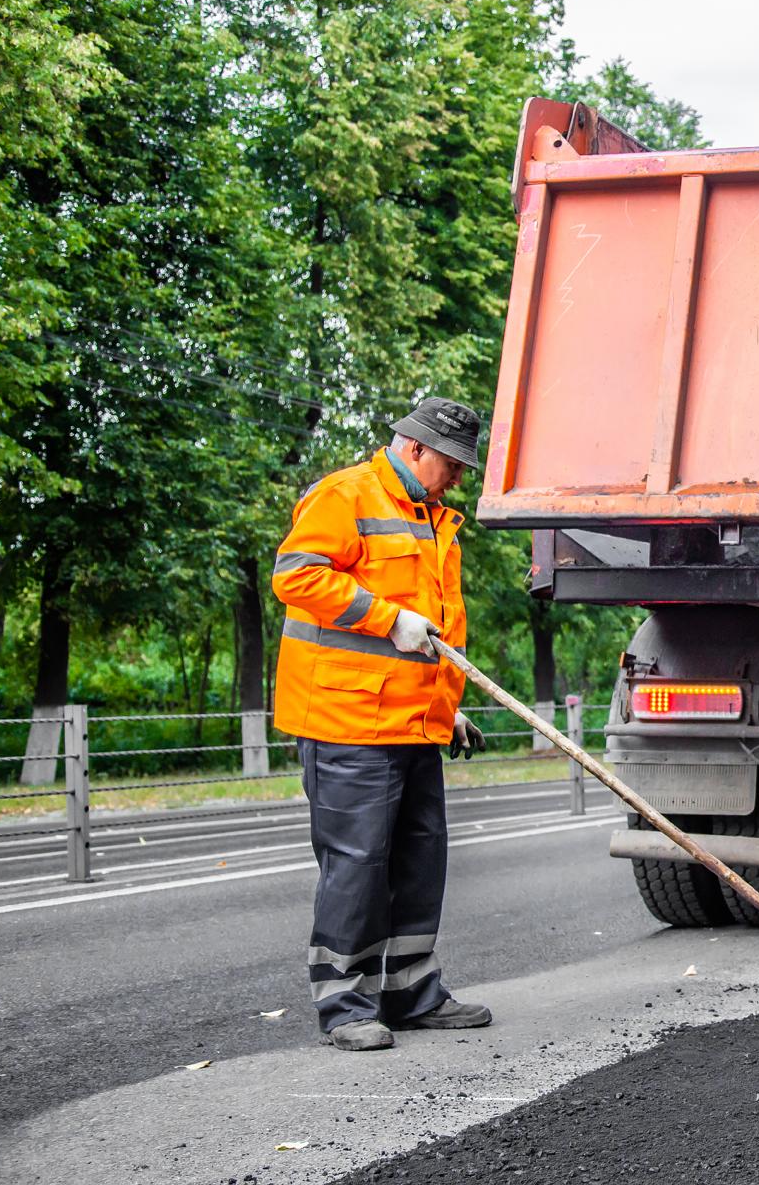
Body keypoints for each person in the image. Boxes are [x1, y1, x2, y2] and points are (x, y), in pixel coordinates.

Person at [271, 397, 492, 1050]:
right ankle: (345, 1004)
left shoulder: (429, 516)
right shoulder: (348, 494)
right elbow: (297, 576)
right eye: (451, 464)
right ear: (415, 446)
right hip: (346, 721)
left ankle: (410, 993)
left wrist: (446, 713)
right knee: (358, 866)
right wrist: (385, 616)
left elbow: (435, 636)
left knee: (421, 861)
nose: (458, 477)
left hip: (410, 723)